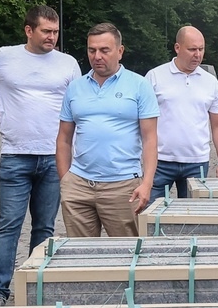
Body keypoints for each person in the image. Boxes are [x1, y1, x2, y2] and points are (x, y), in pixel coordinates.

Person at [0, 5, 82, 305]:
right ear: (29, 30)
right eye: (46, 31)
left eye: (55, 32)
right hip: (16, 156)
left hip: (54, 157)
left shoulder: (67, 63)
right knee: (9, 225)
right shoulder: (2, 57)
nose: (52, 37)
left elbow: (79, 103)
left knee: (45, 226)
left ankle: (36, 287)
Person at [55, 22, 157, 237]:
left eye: (104, 50)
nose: (97, 56)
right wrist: (66, 181)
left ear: (120, 51)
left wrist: (147, 183)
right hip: (79, 186)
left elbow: (150, 139)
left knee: (127, 254)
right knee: (82, 256)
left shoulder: (139, 86)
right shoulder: (75, 87)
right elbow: (64, 138)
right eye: (92, 50)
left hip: (123, 186)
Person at [145, 26, 218, 202]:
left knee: (193, 219)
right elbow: (142, 122)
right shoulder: (155, 77)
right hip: (160, 162)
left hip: (196, 163)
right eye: (192, 49)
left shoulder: (210, 82)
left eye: (201, 49)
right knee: (151, 216)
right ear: (177, 48)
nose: (197, 54)